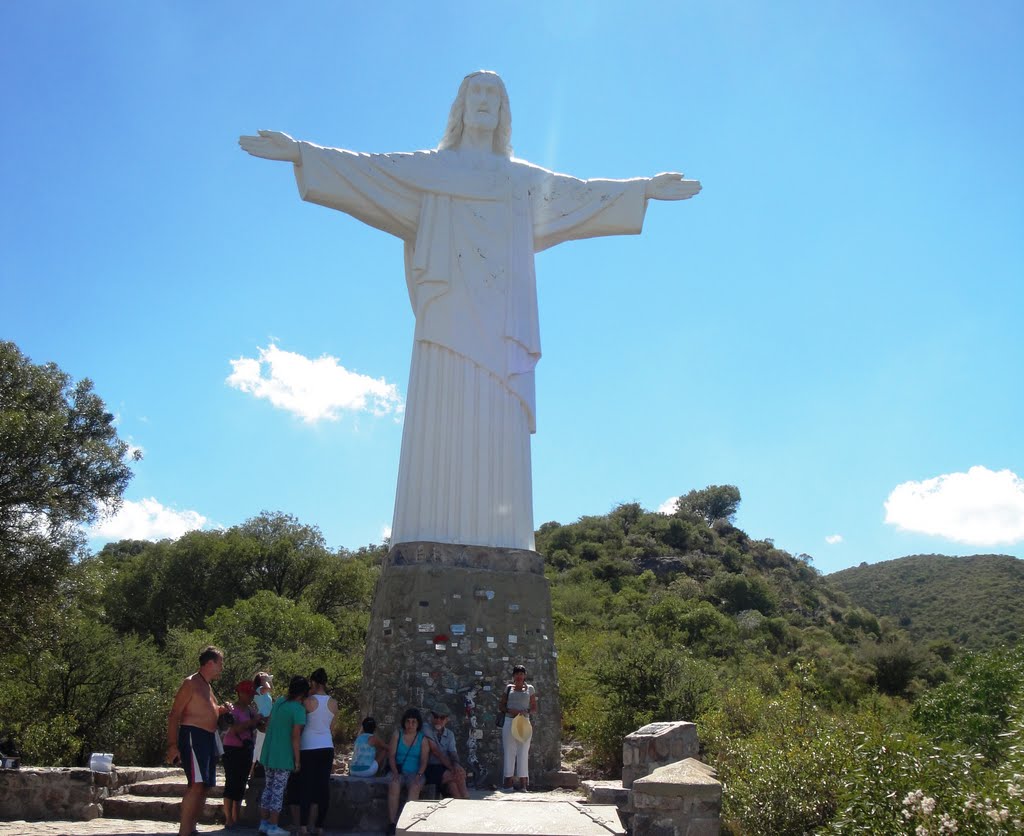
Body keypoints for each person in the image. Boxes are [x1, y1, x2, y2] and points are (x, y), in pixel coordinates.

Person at [239, 71, 700, 553]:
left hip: (504, 326)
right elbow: (367, 170)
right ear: (460, 106)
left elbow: (580, 194)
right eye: (475, 92)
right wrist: (301, 153)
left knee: (501, 425)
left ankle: (506, 542)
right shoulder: (429, 169)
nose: (484, 100)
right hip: (446, 320)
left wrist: (642, 189)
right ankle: (427, 533)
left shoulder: (521, 180)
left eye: (494, 95)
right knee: (439, 422)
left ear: (504, 112)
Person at [166, 646, 232, 836]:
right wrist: (172, 745)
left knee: (204, 785)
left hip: (208, 738)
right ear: (210, 663)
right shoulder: (191, 683)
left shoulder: (207, 685)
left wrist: (222, 709)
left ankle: (192, 828)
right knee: (196, 784)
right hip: (193, 736)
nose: (222, 667)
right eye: (220, 663)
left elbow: (207, 710)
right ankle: (184, 832)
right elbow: (174, 714)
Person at [257, 675, 309, 836]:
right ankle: (273, 825)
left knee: (268, 788)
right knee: (278, 790)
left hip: (269, 751)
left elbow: (270, 723)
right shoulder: (298, 710)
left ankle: (264, 823)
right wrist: (298, 760)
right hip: (283, 755)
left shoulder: (279, 701)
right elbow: (296, 736)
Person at [293, 668, 337, 836]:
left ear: (313, 682)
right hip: (327, 746)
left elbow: (301, 725)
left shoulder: (307, 702)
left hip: (308, 746)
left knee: (306, 786)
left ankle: (303, 826)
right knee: (322, 787)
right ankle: (319, 826)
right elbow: (331, 728)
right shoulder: (334, 703)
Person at [221, 680, 261, 829]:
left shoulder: (250, 710)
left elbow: (259, 723)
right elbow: (235, 729)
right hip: (232, 748)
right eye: (249, 694)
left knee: (241, 782)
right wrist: (253, 722)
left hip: (246, 748)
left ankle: (236, 816)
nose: (251, 697)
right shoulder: (232, 710)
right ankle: (228, 818)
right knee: (231, 781)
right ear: (240, 693)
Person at [386, 708, 429, 835]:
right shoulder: (397, 735)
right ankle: (392, 824)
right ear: (404, 722)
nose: (410, 725)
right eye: (408, 721)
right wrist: (394, 772)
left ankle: (406, 824)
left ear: (418, 724)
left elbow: (424, 761)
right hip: (398, 771)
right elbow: (391, 756)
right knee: (394, 785)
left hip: (416, 773)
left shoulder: (423, 739)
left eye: (413, 722)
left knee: (415, 788)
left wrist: (419, 776)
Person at [498, 664, 537, 791]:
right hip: (510, 720)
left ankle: (523, 784)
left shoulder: (530, 689)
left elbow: (534, 708)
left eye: (521, 674)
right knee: (509, 751)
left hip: (524, 721)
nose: (519, 676)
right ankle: (508, 783)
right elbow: (501, 706)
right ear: (513, 675)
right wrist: (511, 711)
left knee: (523, 752)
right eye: (517, 674)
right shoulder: (509, 688)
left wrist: (525, 712)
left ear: (525, 675)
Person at [423, 704, 469, 799]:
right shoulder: (426, 728)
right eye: (436, 717)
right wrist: (453, 768)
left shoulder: (449, 734)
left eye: (442, 718)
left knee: (453, 786)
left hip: (444, 768)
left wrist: (456, 764)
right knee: (458, 776)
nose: (438, 720)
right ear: (432, 717)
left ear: (447, 719)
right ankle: (466, 801)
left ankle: (463, 805)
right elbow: (436, 752)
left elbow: (453, 752)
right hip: (429, 767)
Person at [250, 671, 273, 779]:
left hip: (268, 718)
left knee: (262, 744)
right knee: (259, 745)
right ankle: (252, 769)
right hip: (263, 719)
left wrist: (268, 679)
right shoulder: (259, 690)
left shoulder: (264, 692)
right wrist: (265, 679)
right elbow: (268, 687)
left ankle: (258, 768)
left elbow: (270, 688)